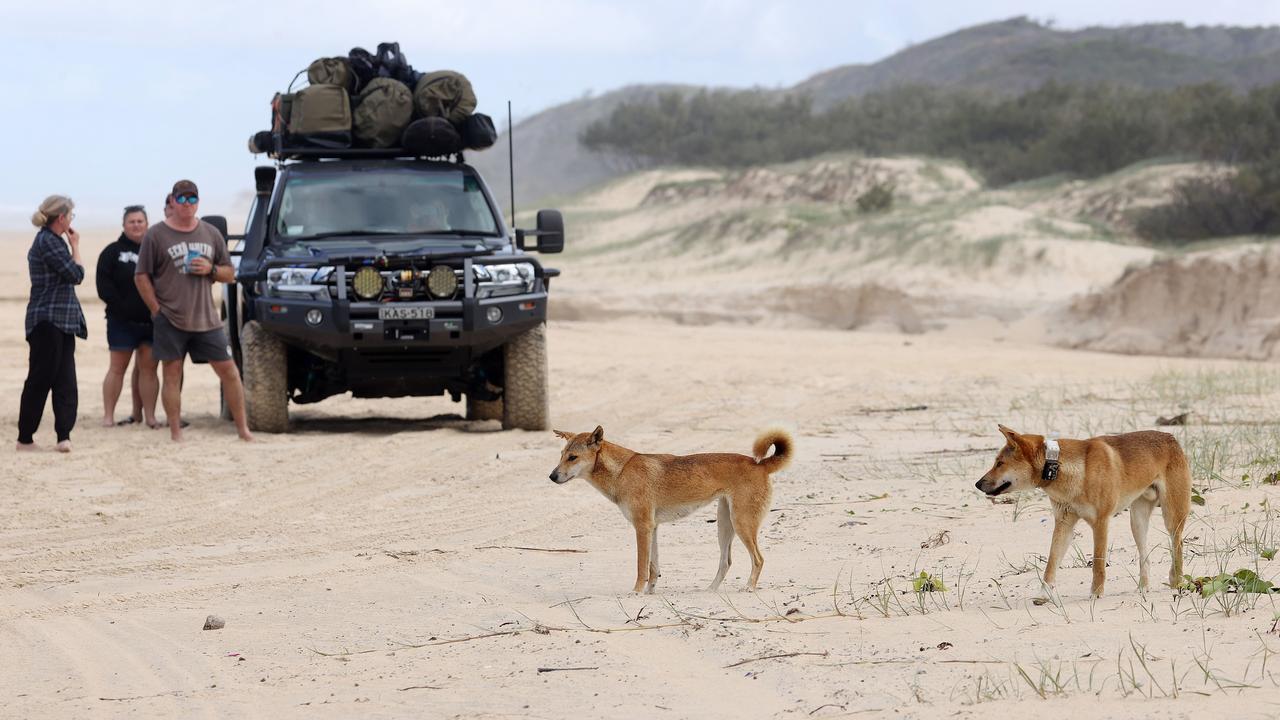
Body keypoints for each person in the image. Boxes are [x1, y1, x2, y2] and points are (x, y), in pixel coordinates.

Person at [135, 180, 252, 442]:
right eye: (182, 199)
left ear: (198, 202)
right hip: (170, 319)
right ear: (173, 202)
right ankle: (175, 432)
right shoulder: (156, 235)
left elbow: (230, 274)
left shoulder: (210, 233)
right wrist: (156, 309)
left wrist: (210, 270)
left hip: (206, 319)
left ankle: (243, 429)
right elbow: (141, 276)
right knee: (172, 374)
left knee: (230, 372)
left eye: (192, 199)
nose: (187, 204)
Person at [18, 195, 87, 452]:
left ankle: (63, 436)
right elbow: (76, 274)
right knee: (41, 378)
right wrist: (76, 246)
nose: (71, 220)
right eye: (71, 215)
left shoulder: (52, 241)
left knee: (65, 379)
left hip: (63, 321)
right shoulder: (48, 242)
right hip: (47, 320)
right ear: (62, 217)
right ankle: (25, 438)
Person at [96, 205, 159, 427]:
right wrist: (123, 309)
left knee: (149, 370)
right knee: (117, 369)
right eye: (132, 221)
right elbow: (103, 287)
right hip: (120, 322)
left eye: (140, 221)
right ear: (124, 225)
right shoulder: (111, 252)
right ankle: (108, 417)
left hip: (151, 321)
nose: (136, 225)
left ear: (147, 224)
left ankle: (150, 417)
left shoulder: (155, 251)